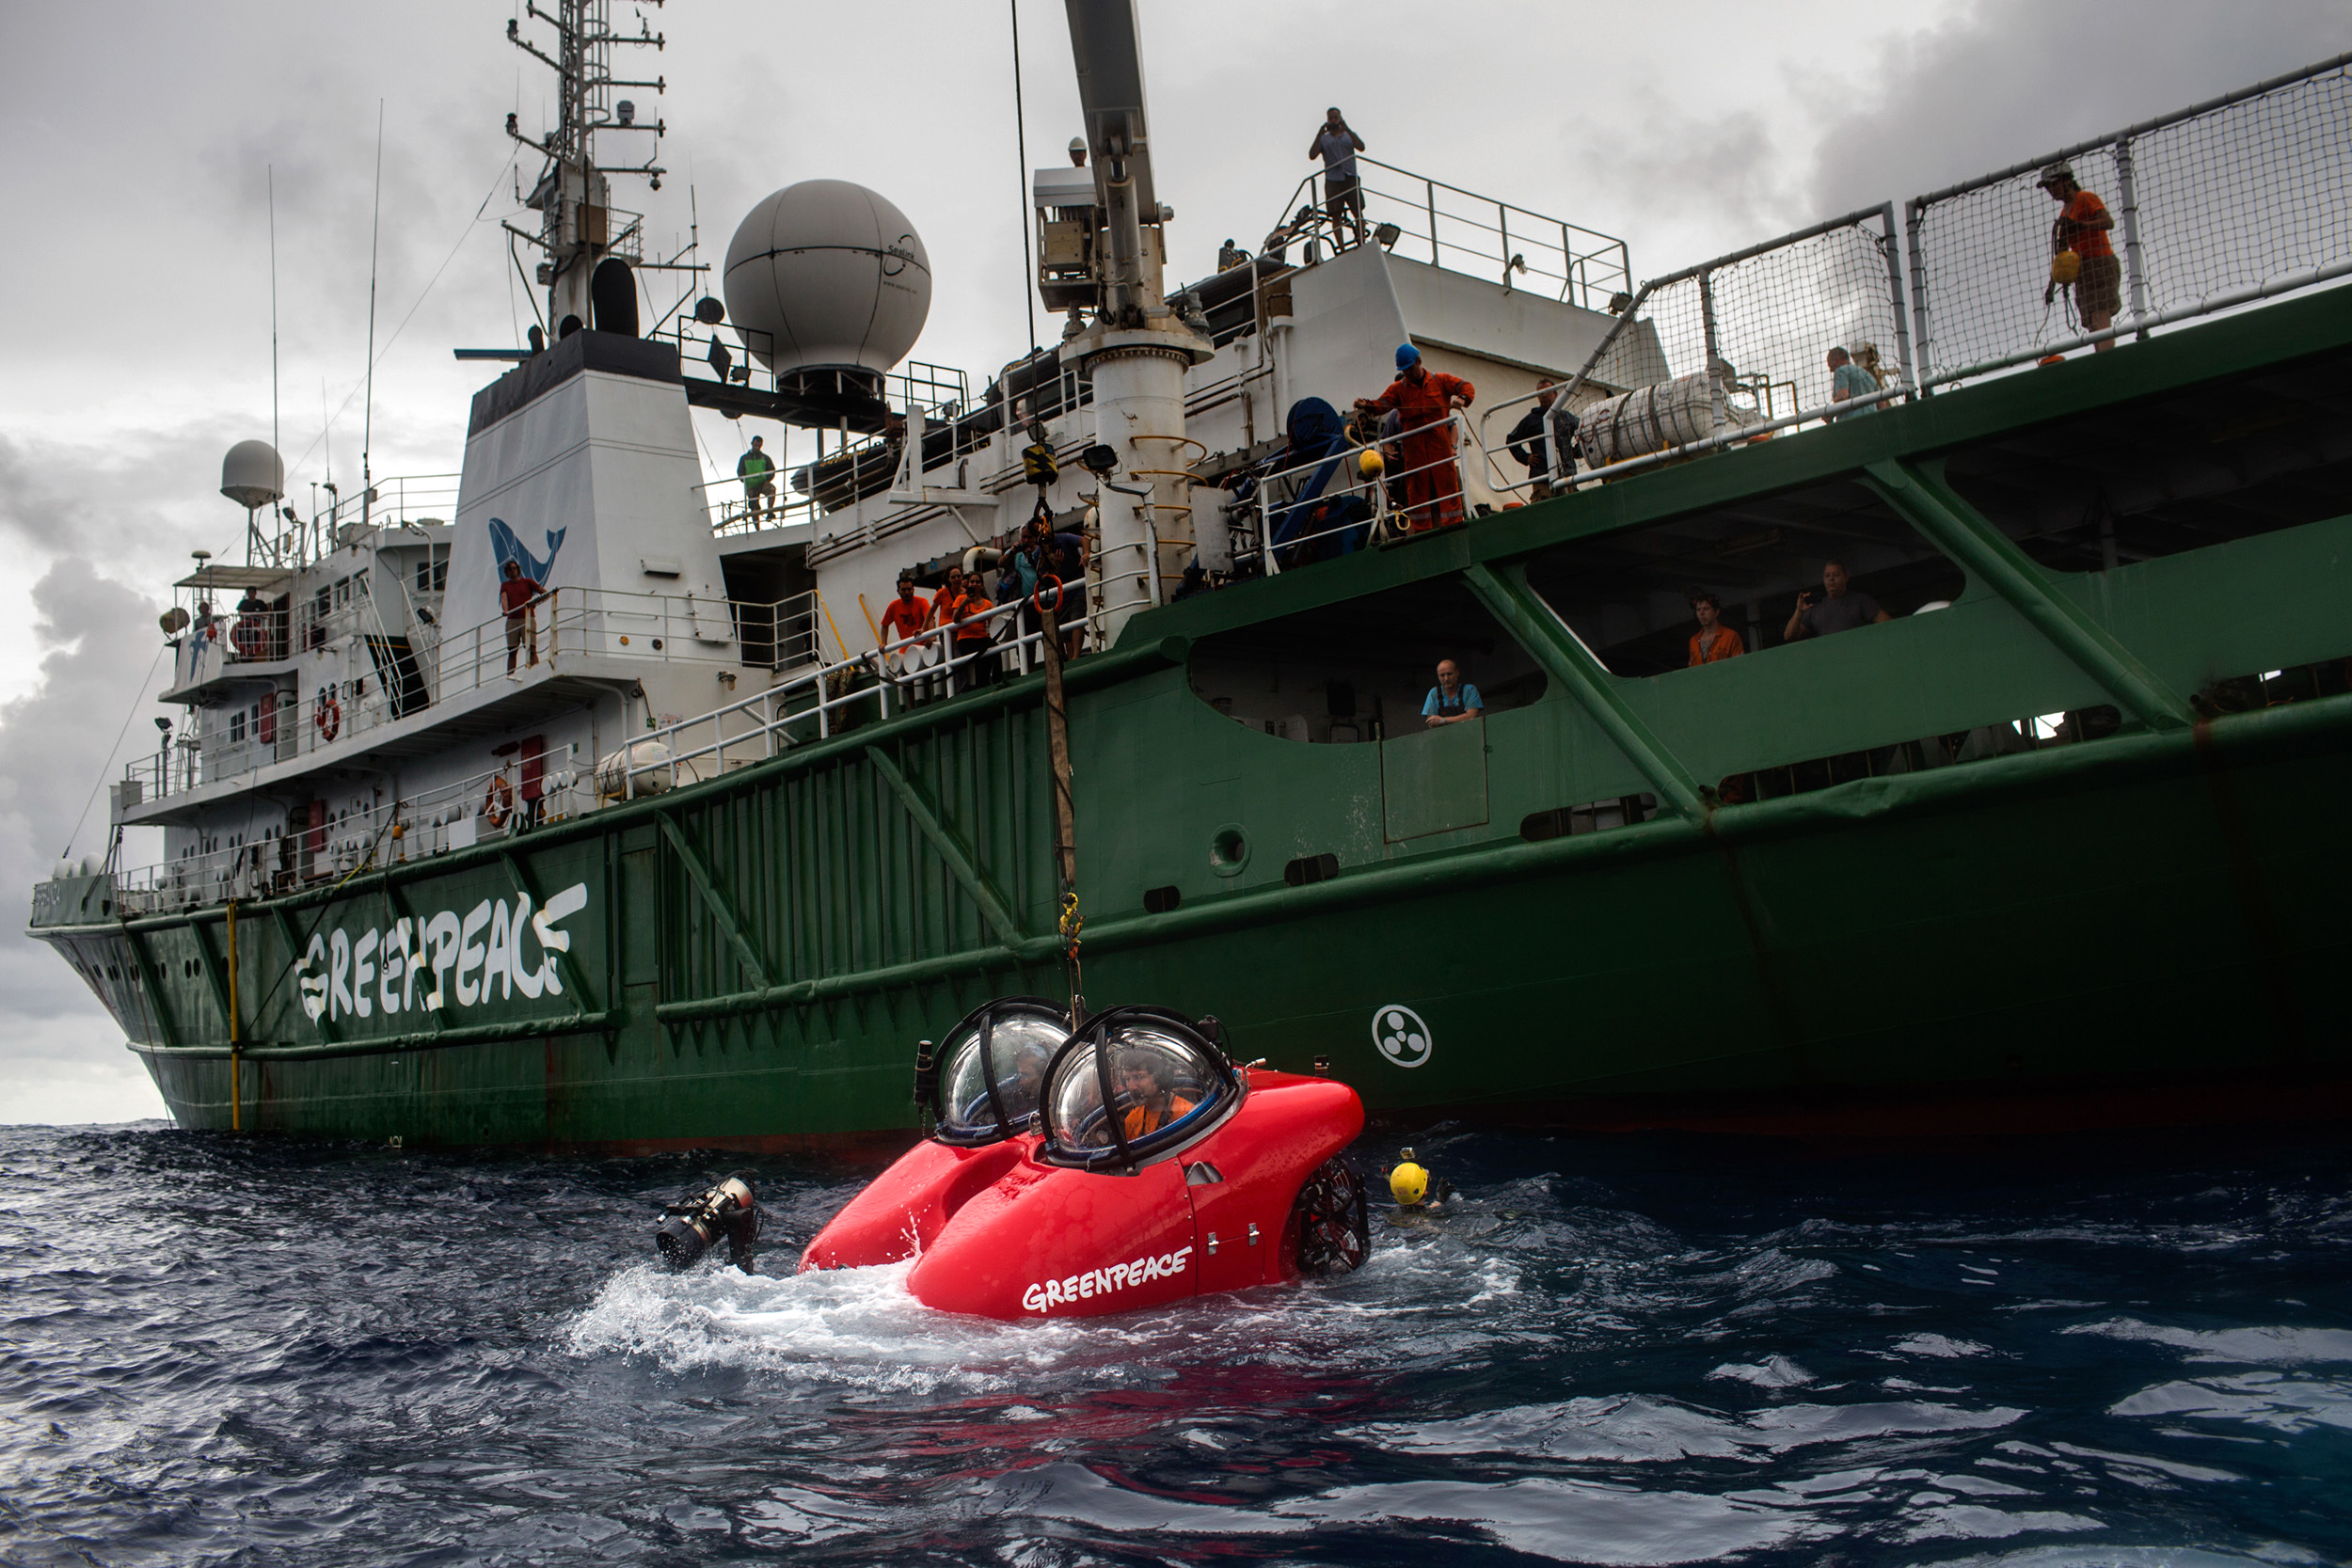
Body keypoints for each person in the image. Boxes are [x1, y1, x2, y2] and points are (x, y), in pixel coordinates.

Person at [1356, 344, 1474, 531]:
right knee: (1417, 491)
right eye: (1404, 370)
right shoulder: (1398, 389)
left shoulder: (1440, 381)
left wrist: (1463, 398)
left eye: (1409, 369)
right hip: (1414, 450)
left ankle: (1455, 526)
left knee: (1448, 485)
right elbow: (1381, 405)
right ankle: (1421, 531)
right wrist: (1366, 405)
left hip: (1440, 446)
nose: (1407, 373)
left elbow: (1465, 386)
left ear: (1419, 362)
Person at [2038, 161, 2121, 351]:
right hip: (2082, 270)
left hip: (2100, 263)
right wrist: (2052, 285)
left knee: (2100, 314)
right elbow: (2062, 250)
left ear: (2067, 181)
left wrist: (2081, 226)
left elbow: (2108, 222)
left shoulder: (2085, 198)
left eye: (2054, 184)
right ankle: (2101, 356)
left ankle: (2108, 357)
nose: (2051, 190)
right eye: (2048, 187)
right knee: (2091, 321)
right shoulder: (2064, 212)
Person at [1784, 560, 1891, 641]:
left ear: (1846, 577)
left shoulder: (1860, 600)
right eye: (1827, 576)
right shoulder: (1815, 608)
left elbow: (1888, 624)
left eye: (1836, 575)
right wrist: (1799, 611)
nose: (1831, 579)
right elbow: (1789, 636)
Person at [1310, 107, 1368, 248]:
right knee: (1335, 215)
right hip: (1333, 180)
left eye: (1336, 118)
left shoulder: (1348, 135)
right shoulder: (1324, 139)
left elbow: (1361, 147)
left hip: (1350, 177)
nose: (1333, 120)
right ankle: (1341, 247)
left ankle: (1362, 241)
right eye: (1331, 118)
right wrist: (1319, 134)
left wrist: (1347, 129)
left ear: (1340, 118)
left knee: (1357, 211)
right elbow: (1312, 155)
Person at [1506, 377, 1568, 498]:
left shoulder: (1566, 417)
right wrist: (1525, 457)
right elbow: (1511, 440)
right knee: (1544, 506)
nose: (1544, 395)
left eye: (1547, 391)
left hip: (1566, 472)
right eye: (1540, 393)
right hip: (1541, 474)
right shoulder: (1531, 420)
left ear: (1555, 394)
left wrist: (1576, 451)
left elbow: (1582, 430)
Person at [1119, 1052, 1195, 1138]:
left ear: (1159, 1079)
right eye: (1127, 1079)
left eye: (1139, 1077)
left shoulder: (1186, 1114)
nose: (1131, 1087)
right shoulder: (1131, 1121)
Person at [500, 560, 542, 673]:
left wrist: (536, 603)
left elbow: (544, 592)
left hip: (528, 618)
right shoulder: (505, 585)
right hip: (512, 620)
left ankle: (535, 671)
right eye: (510, 570)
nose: (512, 571)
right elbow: (504, 598)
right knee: (512, 650)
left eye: (514, 568)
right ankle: (510, 675)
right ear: (507, 572)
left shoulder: (527, 582)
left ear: (518, 570)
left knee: (532, 648)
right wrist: (506, 610)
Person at [1687, 592, 1745, 665]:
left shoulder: (1731, 636)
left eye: (1706, 609)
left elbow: (1740, 665)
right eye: (1698, 610)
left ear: (1717, 612)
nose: (1701, 613)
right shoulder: (1693, 641)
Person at [1422, 658, 1482, 726]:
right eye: (1442, 675)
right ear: (1438, 677)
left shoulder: (1469, 690)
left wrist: (1443, 720)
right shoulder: (1434, 693)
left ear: (1457, 672)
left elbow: (1471, 716)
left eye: (1449, 674)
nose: (1446, 679)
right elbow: (1432, 723)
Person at [1826, 347, 1880, 419]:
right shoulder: (1868, 375)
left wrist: (1830, 412)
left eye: (1830, 365)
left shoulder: (1840, 371)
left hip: (1852, 423)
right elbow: (1882, 404)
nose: (1830, 370)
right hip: (1872, 421)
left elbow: (1843, 395)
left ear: (1835, 361)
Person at [738, 436, 777, 523]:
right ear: (752, 444)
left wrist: (767, 479)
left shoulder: (765, 458)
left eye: (759, 446)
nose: (757, 447)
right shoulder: (744, 458)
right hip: (751, 485)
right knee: (754, 507)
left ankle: (770, 512)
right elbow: (740, 472)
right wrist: (746, 481)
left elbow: (772, 470)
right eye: (756, 445)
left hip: (762, 483)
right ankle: (757, 529)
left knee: (772, 489)